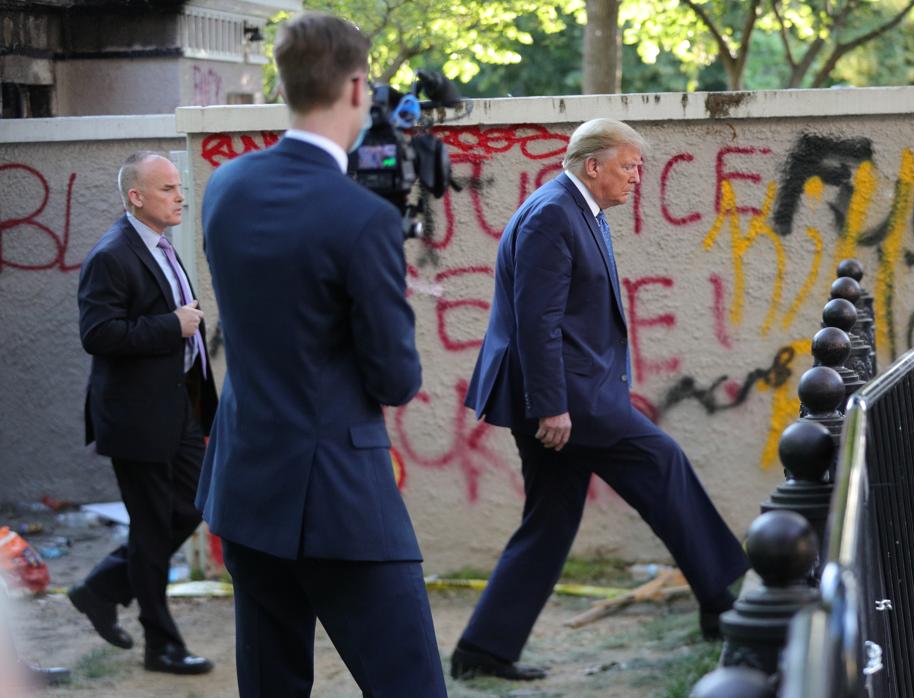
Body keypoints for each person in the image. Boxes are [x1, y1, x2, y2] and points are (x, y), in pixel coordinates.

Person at [196, 12, 445, 697]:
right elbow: (396, 379)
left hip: (246, 486)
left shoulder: (225, 186)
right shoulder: (363, 218)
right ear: (359, 87)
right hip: (341, 500)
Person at [449, 118, 750, 681]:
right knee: (661, 463)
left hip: (570, 391)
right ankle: (723, 601)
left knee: (550, 521)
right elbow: (537, 322)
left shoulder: (574, 209)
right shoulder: (552, 215)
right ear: (593, 165)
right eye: (629, 165)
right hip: (567, 398)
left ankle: (483, 650)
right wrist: (551, 405)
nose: (639, 176)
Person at [73, 151, 218, 676]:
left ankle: (103, 587)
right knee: (154, 527)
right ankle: (161, 644)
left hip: (179, 406)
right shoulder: (112, 254)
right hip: (136, 417)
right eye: (167, 189)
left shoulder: (159, 245)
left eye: (178, 188)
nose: (180, 196)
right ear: (136, 196)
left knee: (197, 502)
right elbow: (98, 334)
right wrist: (171, 325)